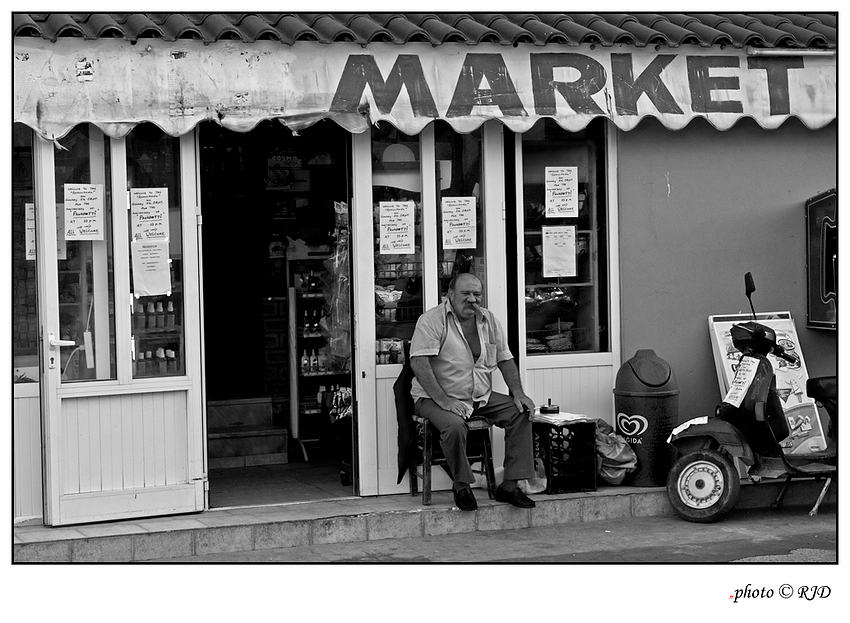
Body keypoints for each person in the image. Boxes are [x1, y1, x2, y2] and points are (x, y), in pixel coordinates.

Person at [409, 272, 537, 511]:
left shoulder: (488, 319)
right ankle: (462, 486)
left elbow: (505, 358)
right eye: (465, 294)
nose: (472, 299)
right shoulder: (432, 320)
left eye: (476, 294)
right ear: (450, 294)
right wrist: (444, 400)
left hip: (479, 395)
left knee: (521, 412)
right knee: (454, 426)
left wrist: (518, 393)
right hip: (433, 397)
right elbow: (419, 363)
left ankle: (509, 485)